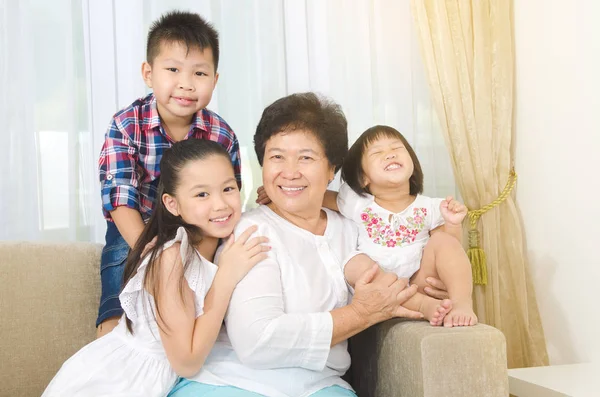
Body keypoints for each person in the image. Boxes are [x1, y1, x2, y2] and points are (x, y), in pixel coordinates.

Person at [169, 93, 423, 397]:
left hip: (322, 387)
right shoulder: (252, 231)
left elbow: (400, 259)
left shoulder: (350, 228)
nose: (290, 172)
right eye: (277, 157)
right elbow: (256, 342)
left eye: (306, 157)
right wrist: (359, 315)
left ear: (332, 169)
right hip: (233, 381)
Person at [43, 140, 268, 397]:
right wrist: (226, 277)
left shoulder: (224, 240)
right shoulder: (171, 258)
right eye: (201, 194)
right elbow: (187, 361)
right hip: (120, 381)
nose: (220, 205)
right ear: (172, 204)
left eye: (228, 188)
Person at [97, 10, 241, 337]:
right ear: (149, 73)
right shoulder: (126, 124)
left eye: (200, 73)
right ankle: (109, 335)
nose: (186, 84)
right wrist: (150, 255)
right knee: (121, 275)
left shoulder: (222, 134)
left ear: (214, 80)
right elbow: (120, 199)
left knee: (214, 286)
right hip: (138, 226)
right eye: (173, 69)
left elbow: (229, 196)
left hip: (198, 228)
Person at [330, 125, 477, 327]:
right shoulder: (358, 204)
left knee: (442, 240)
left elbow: (449, 251)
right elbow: (314, 198)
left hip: (418, 284)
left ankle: (461, 303)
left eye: (396, 148)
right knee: (355, 263)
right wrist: (272, 195)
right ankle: (424, 306)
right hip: (378, 289)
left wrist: (452, 224)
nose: (389, 155)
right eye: (377, 152)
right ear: (363, 178)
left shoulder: (431, 207)